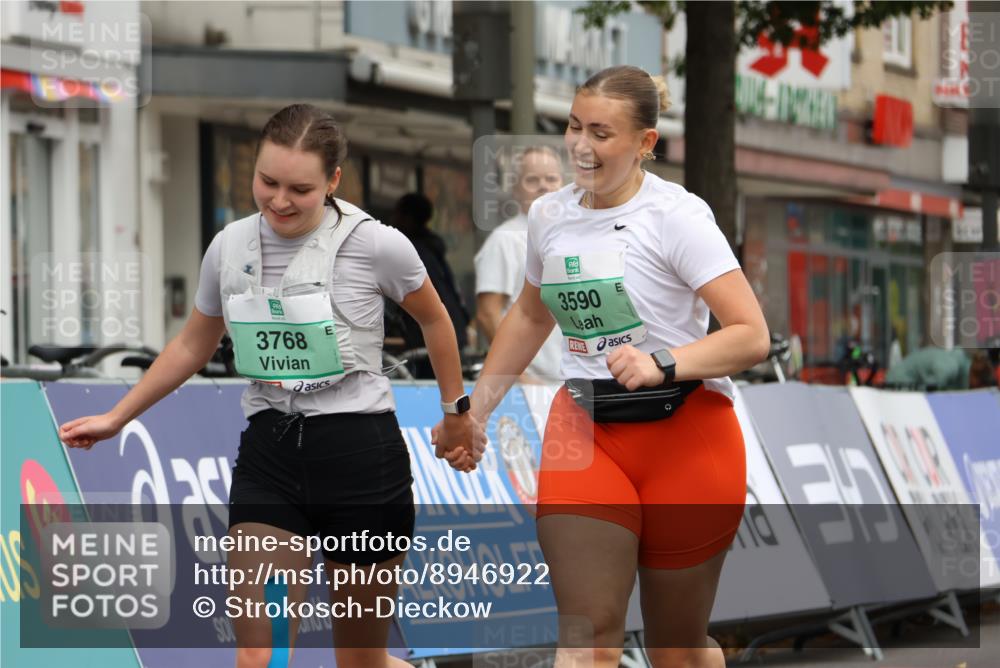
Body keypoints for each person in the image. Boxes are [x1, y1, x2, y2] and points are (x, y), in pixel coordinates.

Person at [58, 104, 484, 668]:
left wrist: (456, 410)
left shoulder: (377, 244)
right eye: (267, 181)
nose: (279, 200)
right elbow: (193, 343)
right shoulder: (229, 247)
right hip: (271, 456)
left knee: (360, 661)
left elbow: (435, 321)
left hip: (361, 457)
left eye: (300, 188)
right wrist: (119, 415)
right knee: (260, 655)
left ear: (333, 181)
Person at [436, 66, 770, 667]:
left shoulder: (679, 216)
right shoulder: (550, 216)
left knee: (679, 649)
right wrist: (471, 412)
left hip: (687, 436)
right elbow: (530, 319)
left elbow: (750, 336)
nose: (581, 146)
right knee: (587, 637)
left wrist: (662, 362)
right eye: (573, 126)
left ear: (645, 142)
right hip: (585, 431)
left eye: (602, 133)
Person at [475, 146, 565, 382]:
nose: (544, 186)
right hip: (531, 385)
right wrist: (520, 377)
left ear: (562, 184)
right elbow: (487, 313)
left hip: (572, 383)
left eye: (551, 178)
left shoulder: (574, 235)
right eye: (532, 180)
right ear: (515, 188)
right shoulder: (503, 240)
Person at [388, 192, 471, 377]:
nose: (392, 220)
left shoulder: (410, 251)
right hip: (453, 337)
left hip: (430, 345)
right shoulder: (434, 250)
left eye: (396, 214)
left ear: (407, 218)